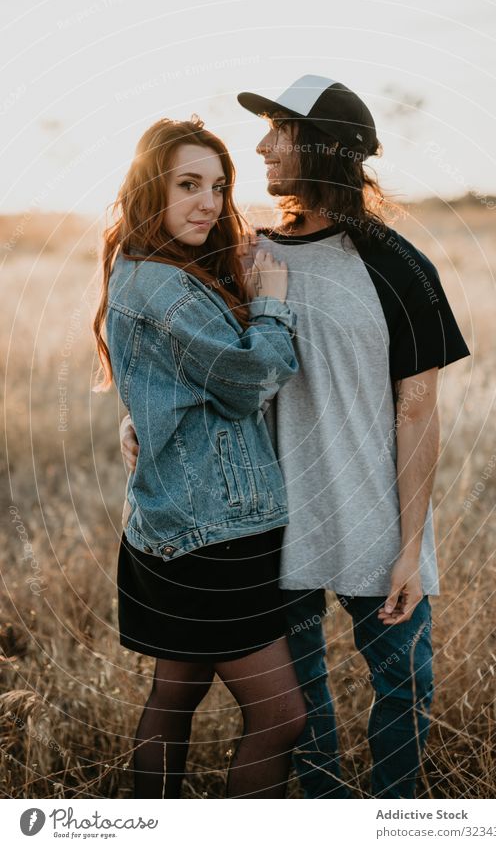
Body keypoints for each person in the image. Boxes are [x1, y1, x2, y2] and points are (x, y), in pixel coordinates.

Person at [121, 76, 470, 798]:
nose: (261, 146)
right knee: (303, 714)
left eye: (277, 129)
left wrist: (410, 548)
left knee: (405, 684)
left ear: (320, 145)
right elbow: (184, 355)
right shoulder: (243, 257)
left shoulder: (400, 267)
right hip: (276, 528)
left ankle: (393, 818)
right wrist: (142, 417)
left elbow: (419, 409)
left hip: (379, 523)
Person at [93, 115, 307, 799]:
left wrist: (137, 420)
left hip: (167, 527)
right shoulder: (161, 286)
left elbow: (170, 382)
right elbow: (247, 384)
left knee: (176, 693)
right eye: (188, 184)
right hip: (214, 538)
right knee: (281, 716)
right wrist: (271, 307)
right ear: (151, 187)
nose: (209, 202)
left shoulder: (145, 267)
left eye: (217, 186)